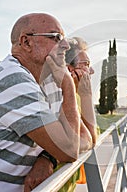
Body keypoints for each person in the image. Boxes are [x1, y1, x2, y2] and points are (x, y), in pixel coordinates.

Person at [0, 13, 92, 191]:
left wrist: (48, 157)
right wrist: (69, 86)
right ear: (26, 42)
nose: (65, 45)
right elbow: (70, 150)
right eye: (55, 37)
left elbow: (85, 139)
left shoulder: (49, 82)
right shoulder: (10, 79)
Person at [35, 37, 98, 192]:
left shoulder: (74, 96)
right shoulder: (55, 94)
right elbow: (81, 140)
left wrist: (85, 96)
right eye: (86, 65)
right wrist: (86, 96)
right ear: (69, 69)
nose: (91, 71)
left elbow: (90, 138)